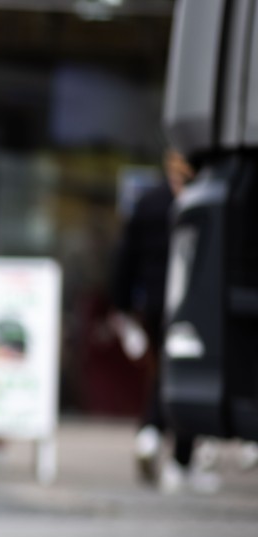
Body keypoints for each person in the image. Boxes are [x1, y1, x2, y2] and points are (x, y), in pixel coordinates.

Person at [110, 150, 217, 493]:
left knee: (164, 373)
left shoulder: (149, 201)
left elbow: (124, 256)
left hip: (154, 304)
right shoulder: (205, 203)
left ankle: (150, 434)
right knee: (187, 375)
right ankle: (178, 460)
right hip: (193, 305)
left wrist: (122, 305)